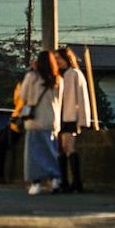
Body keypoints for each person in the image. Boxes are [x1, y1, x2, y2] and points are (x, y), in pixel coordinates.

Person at [17, 50, 63, 195]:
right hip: (52, 121)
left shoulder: (32, 77)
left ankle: (36, 183)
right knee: (51, 151)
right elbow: (60, 101)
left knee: (34, 154)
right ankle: (55, 179)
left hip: (34, 121)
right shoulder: (58, 80)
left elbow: (22, 96)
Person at [56, 46, 93, 193]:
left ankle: (76, 181)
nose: (57, 61)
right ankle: (65, 181)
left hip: (71, 116)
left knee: (69, 147)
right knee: (62, 149)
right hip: (61, 117)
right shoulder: (60, 75)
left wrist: (83, 119)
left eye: (59, 58)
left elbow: (82, 98)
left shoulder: (74, 74)